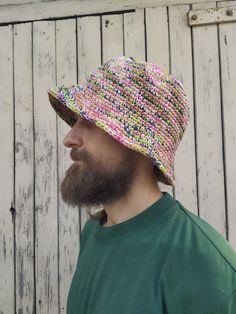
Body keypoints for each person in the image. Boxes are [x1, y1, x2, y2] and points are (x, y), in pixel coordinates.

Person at [48, 56, 236, 314]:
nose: (69, 138)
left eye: (90, 122)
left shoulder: (201, 260)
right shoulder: (93, 233)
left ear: (138, 144)